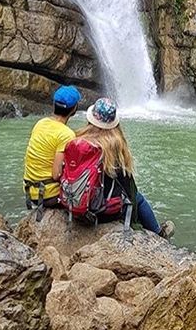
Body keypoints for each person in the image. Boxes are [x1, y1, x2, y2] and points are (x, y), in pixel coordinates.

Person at [74, 97, 174, 239]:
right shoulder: (115, 146)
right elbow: (126, 185)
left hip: (75, 205)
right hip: (100, 211)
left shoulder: (77, 141)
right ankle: (158, 233)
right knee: (137, 198)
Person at [23, 85, 81, 219]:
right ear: (74, 109)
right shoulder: (66, 134)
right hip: (49, 196)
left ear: (54, 104)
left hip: (30, 191)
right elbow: (56, 174)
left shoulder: (40, 123)